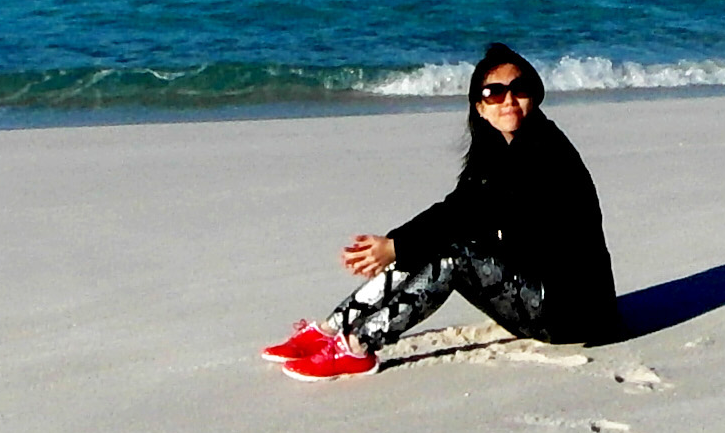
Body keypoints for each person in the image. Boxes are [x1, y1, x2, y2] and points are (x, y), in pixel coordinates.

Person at [264, 43, 618, 377]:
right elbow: (458, 207)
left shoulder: (542, 151)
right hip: (543, 292)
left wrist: (395, 246)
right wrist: (395, 243)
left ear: (535, 95)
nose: (507, 100)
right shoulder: (502, 149)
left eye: (519, 89)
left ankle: (357, 347)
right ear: (479, 106)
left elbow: (467, 214)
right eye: (493, 93)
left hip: (573, 315)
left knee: (452, 254)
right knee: (442, 240)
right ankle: (332, 329)